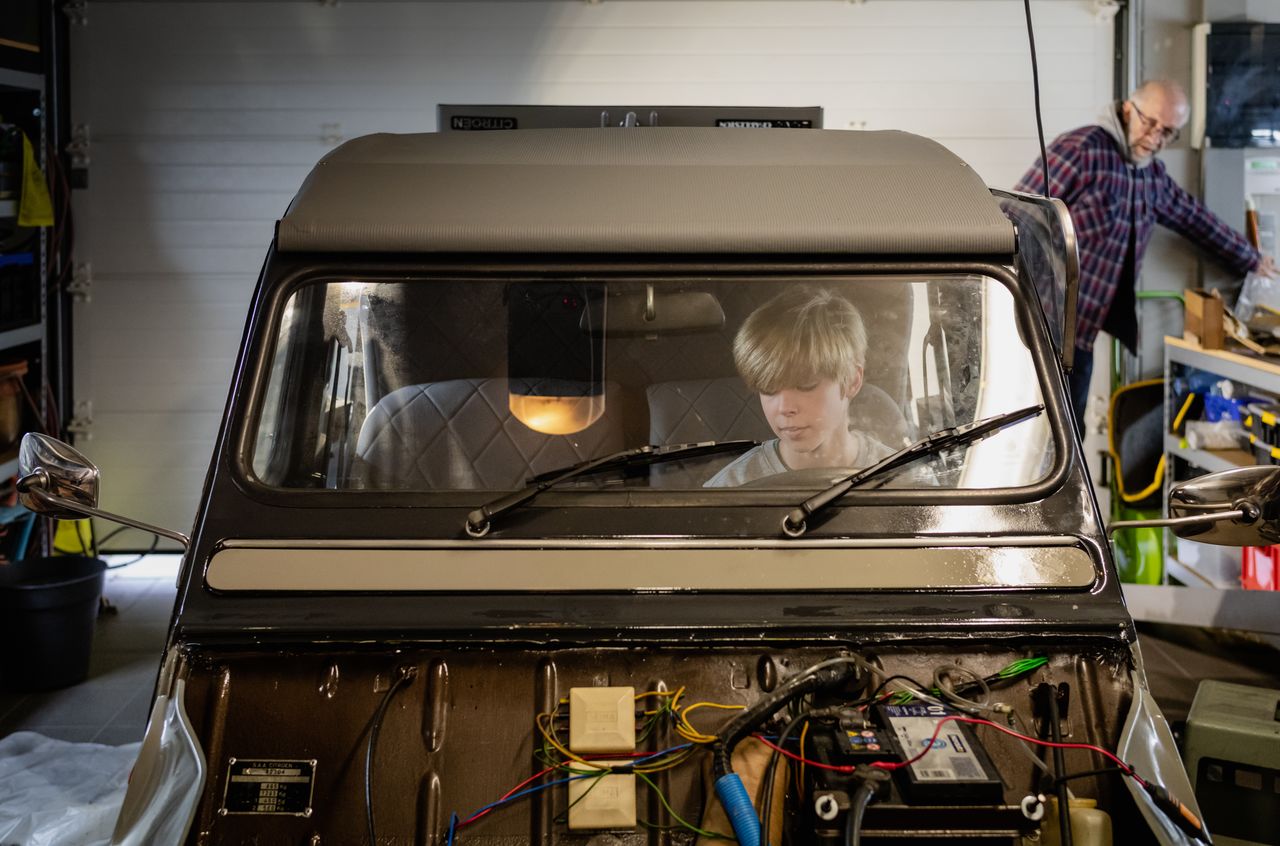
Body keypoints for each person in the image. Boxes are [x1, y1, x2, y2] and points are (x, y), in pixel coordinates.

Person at [1015, 79, 1277, 437]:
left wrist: (1251, 258)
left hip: (1080, 335)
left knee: (1069, 438)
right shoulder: (1082, 148)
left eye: (1167, 132)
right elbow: (1017, 212)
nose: (1155, 137)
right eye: (1149, 123)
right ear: (1127, 110)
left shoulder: (1149, 175)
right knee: (1031, 436)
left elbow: (1194, 218)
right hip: (1039, 326)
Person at [705, 287, 894, 487]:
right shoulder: (728, 490)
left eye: (806, 386)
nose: (785, 408)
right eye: (768, 389)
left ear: (852, 381)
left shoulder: (905, 481)